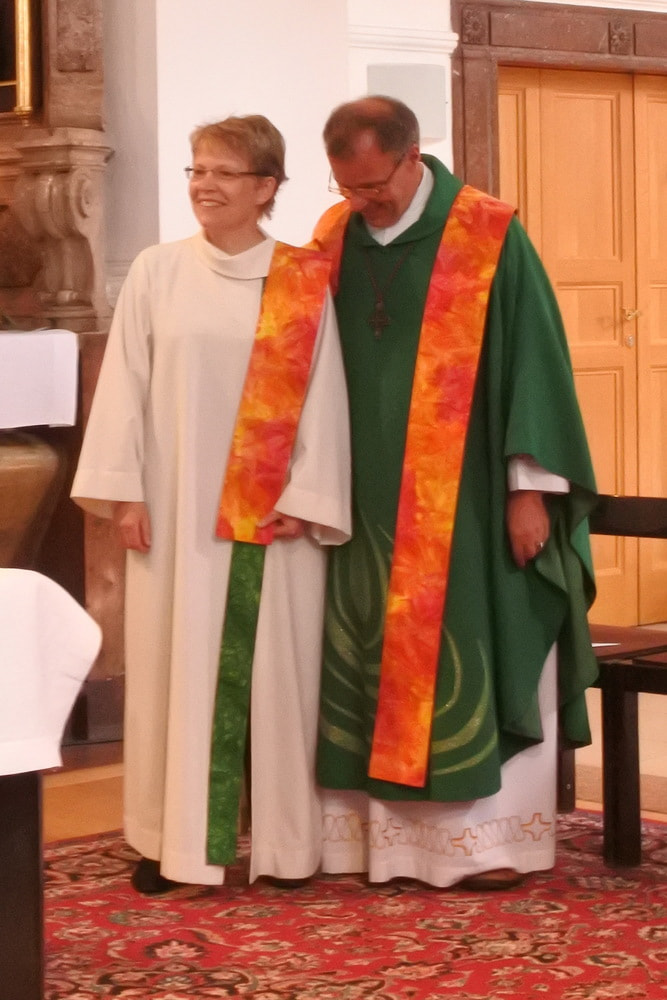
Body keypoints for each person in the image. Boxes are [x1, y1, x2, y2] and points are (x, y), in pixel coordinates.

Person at [311, 96, 598, 889]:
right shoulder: (333, 236)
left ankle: (485, 845)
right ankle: (376, 845)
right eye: (346, 188)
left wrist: (527, 491)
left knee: (471, 637)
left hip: (466, 495)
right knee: (367, 646)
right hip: (362, 495)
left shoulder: (487, 234)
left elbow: (534, 364)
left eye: (374, 186)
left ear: (413, 156)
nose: (361, 204)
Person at [71, 115, 351, 892]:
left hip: (271, 518)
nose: (204, 185)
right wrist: (124, 494)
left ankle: (285, 845)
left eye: (224, 172)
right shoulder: (158, 271)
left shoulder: (299, 277)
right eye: (196, 170)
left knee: (278, 678)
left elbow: (325, 393)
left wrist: (307, 496)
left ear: (266, 187)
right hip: (176, 511)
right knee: (176, 672)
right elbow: (123, 386)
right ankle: (172, 842)